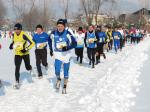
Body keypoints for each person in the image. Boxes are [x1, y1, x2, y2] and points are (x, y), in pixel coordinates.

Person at [50, 19, 77, 94]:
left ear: (64, 26)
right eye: (58, 26)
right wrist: (51, 50)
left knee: (66, 70)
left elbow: (75, 43)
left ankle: (64, 85)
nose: (60, 27)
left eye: (61, 26)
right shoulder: (53, 33)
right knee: (57, 70)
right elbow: (49, 40)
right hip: (58, 53)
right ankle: (58, 79)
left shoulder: (68, 33)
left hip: (66, 54)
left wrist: (68, 47)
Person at [9, 23, 35, 89]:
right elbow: (14, 42)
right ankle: (17, 82)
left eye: (17, 29)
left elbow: (32, 43)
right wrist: (11, 45)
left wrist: (26, 49)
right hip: (17, 54)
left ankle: (30, 69)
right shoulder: (13, 34)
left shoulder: (24, 35)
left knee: (27, 67)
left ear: (20, 29)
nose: (16, 30)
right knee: (17, 67)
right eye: (15, 29)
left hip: (25, 54)